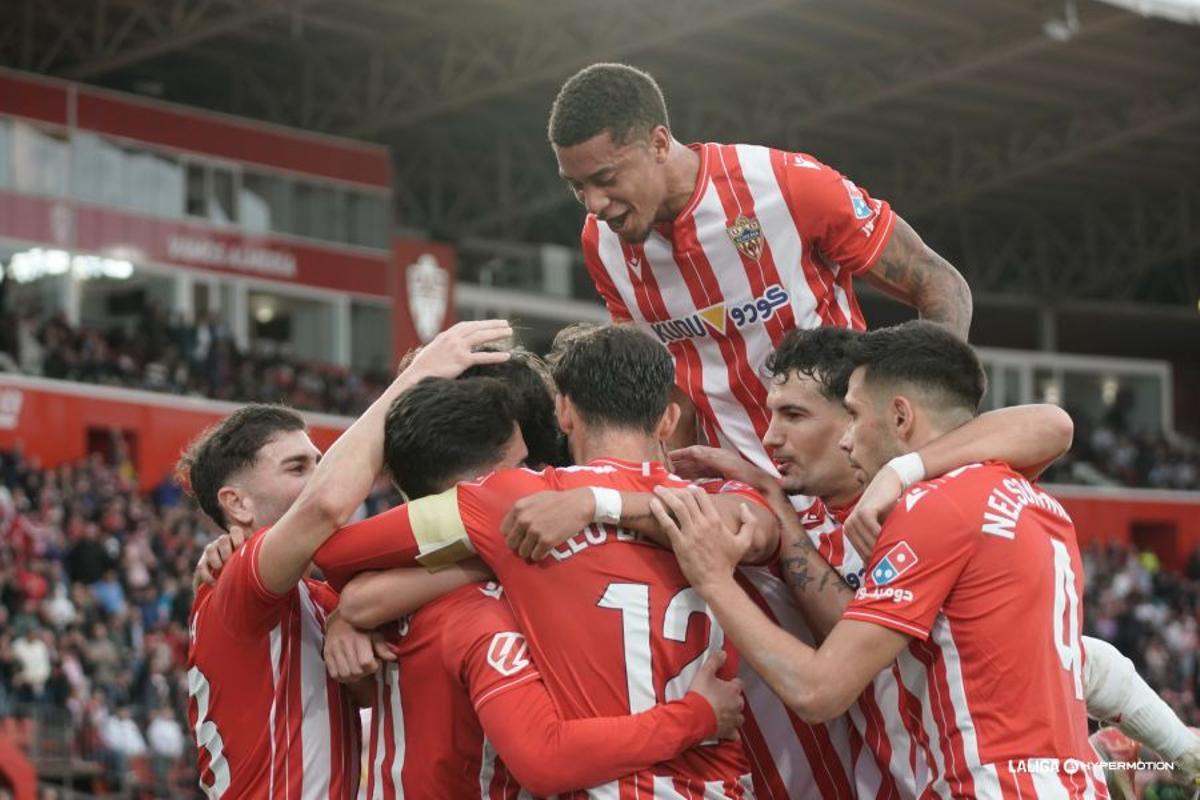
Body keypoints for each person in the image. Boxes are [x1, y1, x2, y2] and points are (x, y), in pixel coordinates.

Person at [670, 325, 1200, 797]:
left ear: (893, 415)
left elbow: (823, 686)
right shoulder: (1027, 500)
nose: (770, 438)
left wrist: (708, 572)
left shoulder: (927, 503)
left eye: (799, 415)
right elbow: (1067, 661)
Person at [314, 324, 781, 796]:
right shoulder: (725, 504)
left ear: (564, 412)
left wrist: (571, 517)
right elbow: (761, 530)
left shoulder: (517, 501)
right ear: (668, 420)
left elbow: (332, 549)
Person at [549, 62, 972, 476]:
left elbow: (939, 283)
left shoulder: (785, 186)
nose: (594, 204)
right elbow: (669, 385)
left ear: (659, 144)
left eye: (606, 178)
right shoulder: (601, 245)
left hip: (850, 480)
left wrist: (928, 423)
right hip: (741, 501)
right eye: (577, 186)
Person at [180, 320, 512, 798]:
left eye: (319, 462)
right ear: (237, 504)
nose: (319, 477)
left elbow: (364, 688)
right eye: (298, 467)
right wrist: (416, 376)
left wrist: (347, 618)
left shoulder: (314, 597)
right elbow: (325, 504)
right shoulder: (232, 581)